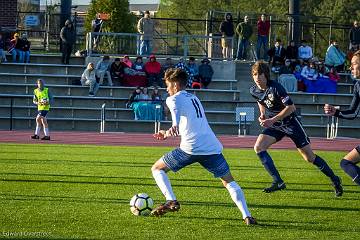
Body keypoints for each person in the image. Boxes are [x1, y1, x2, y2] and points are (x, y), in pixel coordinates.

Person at [150, 68, 256, 225]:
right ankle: (247, 216)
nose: (167, 89)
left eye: (168, 85)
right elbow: (187, 124)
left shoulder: (171, 99)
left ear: (175, 85)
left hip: (190, 149)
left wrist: (173, 125)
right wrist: (166, 133)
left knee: (157, 169)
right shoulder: (194, 98)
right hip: (211, 147)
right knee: (229, 182)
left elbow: (175, 114)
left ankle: (171, 200)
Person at [249, 61, 343, 196]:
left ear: (266, 75)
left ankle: (335, 180)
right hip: (275, 125)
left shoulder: (276, 88)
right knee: (258, 147)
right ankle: (278, 181)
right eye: (254, 74)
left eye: (260, 74)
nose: (257, 77)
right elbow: (260, 101)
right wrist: (262, 115)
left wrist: (272, 120)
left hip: (290, 123)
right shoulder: (254, 90)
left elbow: (291, 108)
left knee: (309, 158)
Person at [324, 50, 360, 186]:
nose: (351, 67)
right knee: (345, 163)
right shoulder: (358, 85)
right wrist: (335, 112)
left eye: (354, 63)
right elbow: (352, 112)